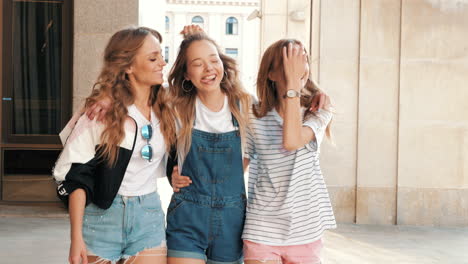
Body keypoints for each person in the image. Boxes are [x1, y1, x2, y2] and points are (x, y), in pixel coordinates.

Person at [53, 26, 175, 264]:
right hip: (101, 218)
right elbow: (76, 176)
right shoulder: (100, 114)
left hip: (148, 215)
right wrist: (75, 237)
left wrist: (191, 37)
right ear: (128, 67)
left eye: (161, 54)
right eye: (153, 57)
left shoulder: (169, 107)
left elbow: (203, 83)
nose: (162, 62)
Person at [241, 40, 336, 264]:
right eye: (289, 60)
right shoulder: (253, 114)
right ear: (271, 74)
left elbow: (292, 140)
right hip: (261, 226)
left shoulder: (318, 110)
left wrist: (293, 84)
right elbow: (238, 168)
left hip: (305, 228)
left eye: (302, 57)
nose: (299, 64)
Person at [165, 32, 251, 264]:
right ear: (186, 73)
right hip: (188, 216)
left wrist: (318, 96)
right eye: (197, 64)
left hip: (232, 220)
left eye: (214, 60)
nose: (208, 69)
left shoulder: (245, 105)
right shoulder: (176, 108)